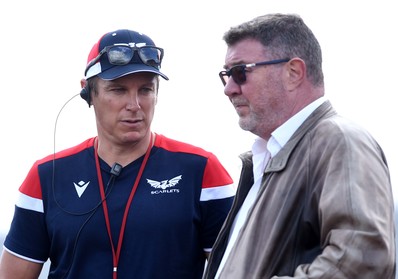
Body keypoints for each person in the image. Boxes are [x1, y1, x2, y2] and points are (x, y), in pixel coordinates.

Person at [0, 29, 235, 279]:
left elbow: (238, 270)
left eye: (145, 89)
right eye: (118, 89)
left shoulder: (202, 169)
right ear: (88, 92)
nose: (134, 105)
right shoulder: (47, 175)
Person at [203, 13, 396, 279]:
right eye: (226, 75)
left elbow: (362, 261)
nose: (229, 89)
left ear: (293, 72)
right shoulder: (268, 157)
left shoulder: (340, 140)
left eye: (240, 72)